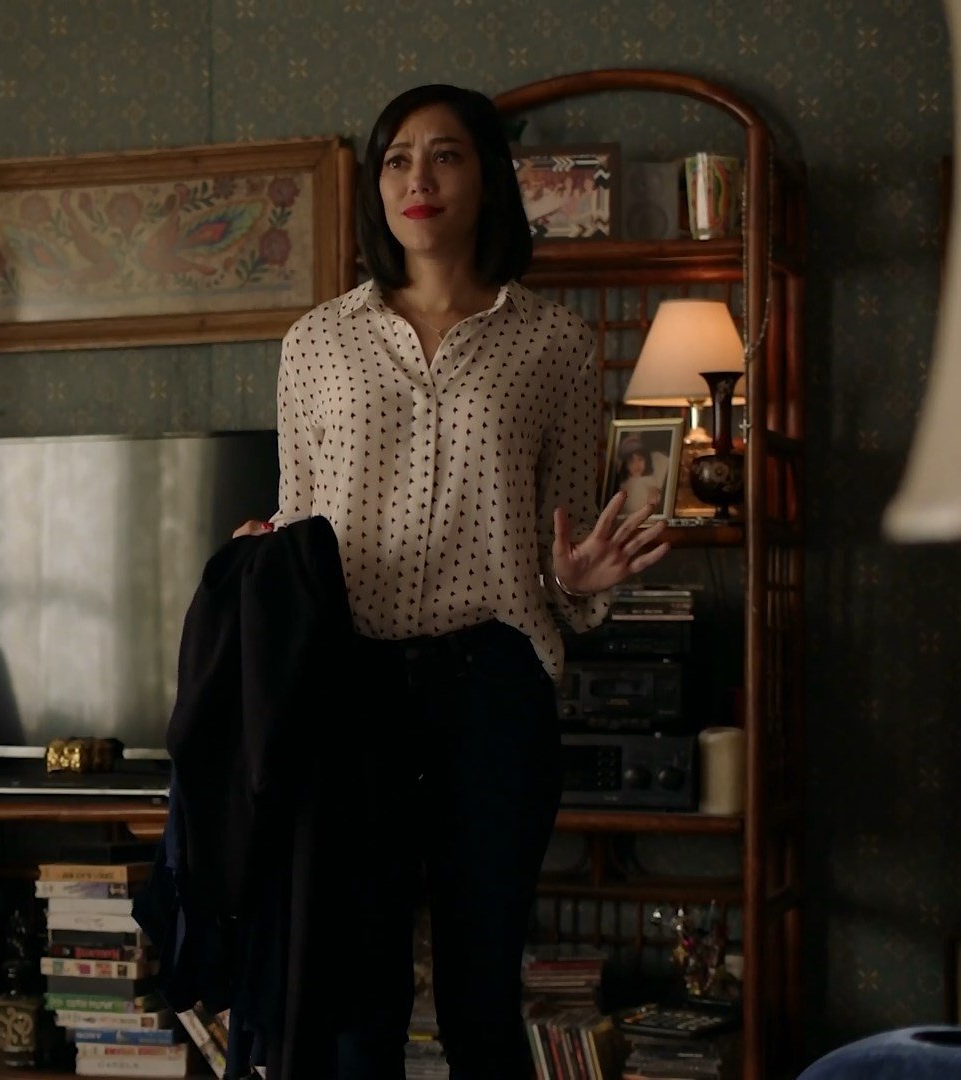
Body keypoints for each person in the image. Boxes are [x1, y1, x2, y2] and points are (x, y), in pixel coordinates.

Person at [235, 84, 670, 1078]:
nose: (417, 178)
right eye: (396, 158)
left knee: (481, 999)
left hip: (494, 690)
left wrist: (577, 575)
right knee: (358, 1006)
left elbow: (562, 548)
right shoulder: (315, 344)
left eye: (445, 155)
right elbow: (298, 524)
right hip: (348, 695)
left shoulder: (558, 345)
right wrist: (260, 557)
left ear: (488, 180)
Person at [615, 436, 670, 513]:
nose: (636, 465)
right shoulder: (624, 485)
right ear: (626, 465)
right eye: (631, 462)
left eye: (640, 459)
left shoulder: (651, 479)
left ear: (646, 460)